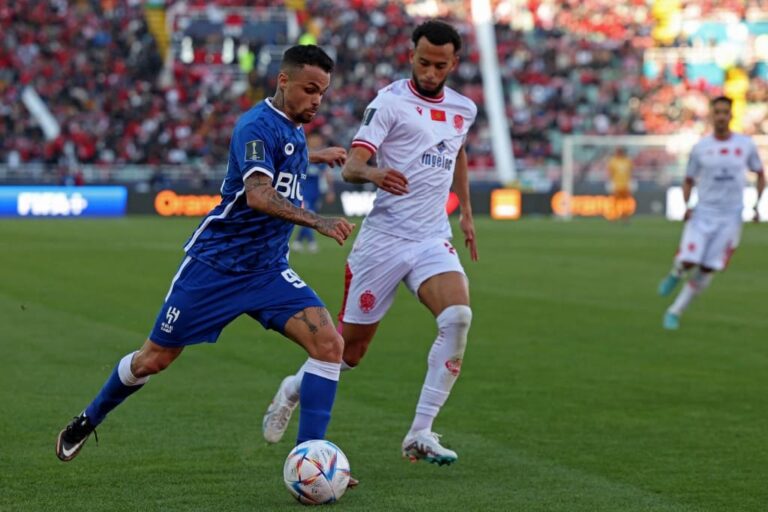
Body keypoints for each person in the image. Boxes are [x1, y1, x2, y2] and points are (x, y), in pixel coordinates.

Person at [55, 45, 356, 463]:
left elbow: (286, 160)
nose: (317, 100)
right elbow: (258, 196)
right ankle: (87, 419)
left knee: (329, 346)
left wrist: (315, 156)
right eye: (310, 89)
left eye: (323, 91)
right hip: (215, 267)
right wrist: (318, 221)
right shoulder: (255, 125)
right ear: (283, 81)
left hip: (267, 271)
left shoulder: (294, 125)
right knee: (153, 360)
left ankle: (311, 459)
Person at [263, 20, 478, 466]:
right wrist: (377, 173)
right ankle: (293, 386)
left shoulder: (464, 109)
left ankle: (420, 432)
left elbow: (457, 150)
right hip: (383, 240)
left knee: (457, 317)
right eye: (423, 62)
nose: (431, 72)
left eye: (440, 65)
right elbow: (352, 166)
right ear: (411, 55)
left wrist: (467, 214)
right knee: (350, 352)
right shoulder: (390, 102)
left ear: (453, 63)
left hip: (431, 237)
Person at [658, 95, 764, 330]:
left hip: (730, 217)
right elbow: (688, 180)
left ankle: (675, 310)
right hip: (703, 213)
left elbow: (760, 174)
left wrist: (756, 206)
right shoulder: (701, 148)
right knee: (688, 260)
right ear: (711, 115)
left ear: (731, 115)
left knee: (708, 268)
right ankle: (676, 273)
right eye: (717, 112)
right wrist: (686, 206)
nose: (721, 117)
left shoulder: (745, 145)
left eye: (725, 112)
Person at [292, 133, 337, 253]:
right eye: (314, 139)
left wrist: (330, 191)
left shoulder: (320, 158)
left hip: (315, 193)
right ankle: (311, 242)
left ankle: (298, 241)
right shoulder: (303, 155)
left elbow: (327, 174)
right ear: (309, 140)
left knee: (308, 217)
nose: (316, 142)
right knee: (308, 216)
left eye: (318, 140)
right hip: (303, 193)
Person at [606, 146, 634, 221]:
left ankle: (625, 216)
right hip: (616, 185)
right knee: (615, 202)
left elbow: (631, 172)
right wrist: (610, 182)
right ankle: (613, 216)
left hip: (625, 185)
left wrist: (631, 181)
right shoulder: (613, 161)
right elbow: (610, 173)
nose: (619, 153)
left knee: (626, 202)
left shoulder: (627, 161)